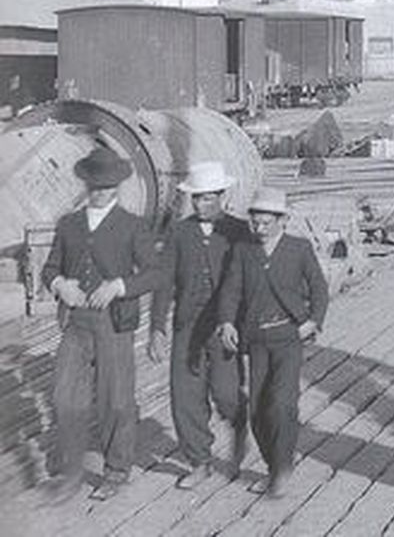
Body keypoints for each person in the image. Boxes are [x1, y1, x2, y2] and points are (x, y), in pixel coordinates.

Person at [40, 146, 164, 502]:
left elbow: (156, 273)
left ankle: (116, 469)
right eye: (94, 184)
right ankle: (72, 471)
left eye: (106, 185)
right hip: (75, 323)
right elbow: (50, 268)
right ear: (86, 183)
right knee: (65, 398)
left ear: (117, 186)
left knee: (116, 399)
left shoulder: (132, 226)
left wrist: (120, 285)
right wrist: (61, 285)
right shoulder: (69, 224)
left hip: (114, 323)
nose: (99, 191)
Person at [215, 187, 329, 498]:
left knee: (282, 404)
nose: (260, 229)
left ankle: (282, 469)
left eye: (267, 223)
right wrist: (226, 321)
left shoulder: (298, 248)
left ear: (282, 220)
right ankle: (272, 464)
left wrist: (313, 321)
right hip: (256, 341)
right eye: (255, 222)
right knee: (257, 411)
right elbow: (231, 291)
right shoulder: (243, 251)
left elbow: (319, 288)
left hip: (289, 338)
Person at [150, 161, 252, 489]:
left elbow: (253, 281)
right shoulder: (179, 232)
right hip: (187, 325)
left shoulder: (239, 231)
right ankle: (200, 461)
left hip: (225, 326)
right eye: (196, 199)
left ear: (222, 196)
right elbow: (164, 281)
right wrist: (157, 327)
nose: (200, 205)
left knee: (226, 393)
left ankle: (239, 428)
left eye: (207, 199)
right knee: (186, 395)